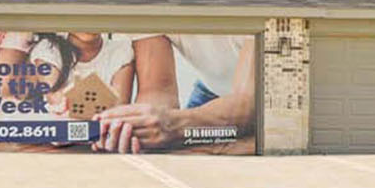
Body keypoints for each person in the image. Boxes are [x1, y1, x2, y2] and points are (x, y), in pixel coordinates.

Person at [93, 34, 257, 153]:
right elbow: (158, 90)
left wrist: (175, 125)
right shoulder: (143, 2)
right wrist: (142, 126)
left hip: (261, 94)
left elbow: (247, 102)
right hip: (211, 89)